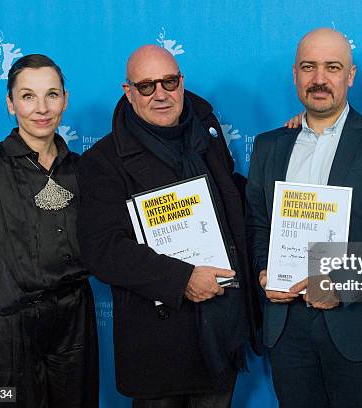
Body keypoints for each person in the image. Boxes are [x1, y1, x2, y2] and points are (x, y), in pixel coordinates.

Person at [76, 45, 260, 408]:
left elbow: (231, 200)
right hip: (157, 346)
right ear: (128, 93)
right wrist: (183, 279)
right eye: (146, 86)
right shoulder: (103, 161)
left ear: (181, 82)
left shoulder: (206, 136)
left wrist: (285, 158)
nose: (160, 94)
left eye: (169, 82)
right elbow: (103, 249)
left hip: (220, 333)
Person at [246, 28, 362, 408]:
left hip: (358, 327)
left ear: (350, 76)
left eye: (332, 67)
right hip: (286, 327)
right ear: (295, 74)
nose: (320, 79)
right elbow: (259, 225)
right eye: (309, 67)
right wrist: (265, 269)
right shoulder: (268, 145)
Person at [0, 54, 98, 407]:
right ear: (11, 104)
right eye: (28, 96)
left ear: (65, 99)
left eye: (52, 95)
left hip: (72, 329)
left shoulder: (82, 171)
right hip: (2, 334)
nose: (41, 108)